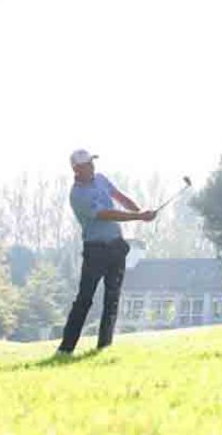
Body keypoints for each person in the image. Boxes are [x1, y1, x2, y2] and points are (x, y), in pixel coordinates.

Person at [56, 149, 156, 354]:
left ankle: (104, 346)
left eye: (92, 162)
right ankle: (66, 349)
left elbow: (119, 196)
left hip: (116, 246)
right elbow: (106, 214)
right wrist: (139, 217)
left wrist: (139, 211)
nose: (93, 166)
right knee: (84, 299)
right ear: (77, 169)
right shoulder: (78, 195)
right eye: (88, 164)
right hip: (95, 251)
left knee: (112, 298)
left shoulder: (100, 178)